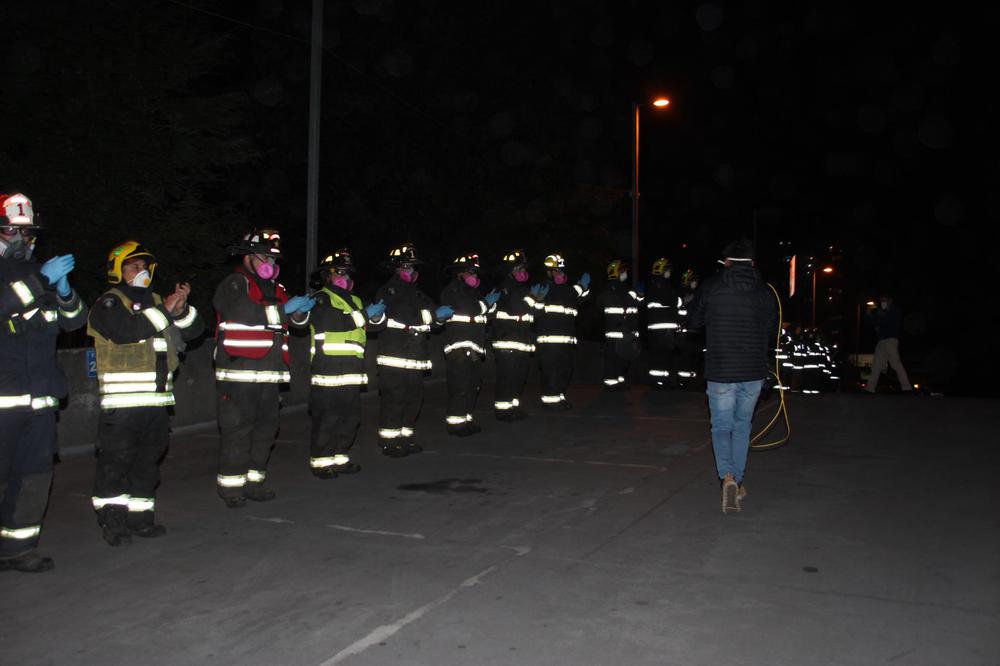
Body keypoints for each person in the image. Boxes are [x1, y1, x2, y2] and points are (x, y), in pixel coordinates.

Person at [88, 241, 204, 545]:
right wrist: (164, 310)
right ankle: (113, 523)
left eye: (144, 266)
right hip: (122, 404)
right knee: (115, 465)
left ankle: (141, 519)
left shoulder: (156, 302)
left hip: (157, 402)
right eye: (133, 267)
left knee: (147, 464)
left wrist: (182, 310)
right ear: (118, 271)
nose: (141, 272)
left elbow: (194, 333)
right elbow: (127, 332)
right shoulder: (110, 302)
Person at [0, 192, 87, 572]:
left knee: (34, 476)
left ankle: (18, 549)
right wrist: (40, 281)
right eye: (11, 231)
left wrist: (65, 292)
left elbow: (74, 322)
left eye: (27, 232)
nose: (21, 239)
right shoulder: (33, 277)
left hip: (40, 399)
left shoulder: (39, 273)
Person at [213, 229, 315, 508]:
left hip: (269, 377)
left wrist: (300, 311)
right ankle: (231, 488)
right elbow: (243, 314)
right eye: (262, 256)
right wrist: (284, 311)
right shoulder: (235, 283)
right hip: (238, 375)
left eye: (272, 257)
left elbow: (298, 326)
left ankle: (254, 482)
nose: (268, 261)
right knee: (238, 431)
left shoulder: (278, 289)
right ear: (247, 257)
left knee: (265, 431)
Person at [687, 240, 776, 513]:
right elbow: (772, 329)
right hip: (752, 371)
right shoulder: (765, 292)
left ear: (726, 262)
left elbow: (692, 322)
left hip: (721, 369)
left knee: (720, 426)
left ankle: (726, 476)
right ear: (752, 264)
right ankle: (736, 479)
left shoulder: (712, 287)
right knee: (742, 426)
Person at [305, 249, 386, 479]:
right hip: (327, 371)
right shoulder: (321, 298)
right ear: (327, 275)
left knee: (350, 419)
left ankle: (340, 458)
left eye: (348, 273)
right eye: (340, 272)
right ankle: (321, 463)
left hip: (352, 373)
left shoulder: (357, 300)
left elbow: (374, 326)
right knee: (327, 419)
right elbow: (333, 322)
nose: (346, 277)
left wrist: (378, 315)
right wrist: (364, 315)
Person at [374, 242, 453, 457]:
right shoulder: (388, 291)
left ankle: (405, 438)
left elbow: (431, 318)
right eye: (407, 267)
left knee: (414, 399)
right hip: (394, 356)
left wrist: (439, 318)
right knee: (394, 400)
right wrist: (434, 316)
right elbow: (406, 315)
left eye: (413, 267)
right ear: (397, 268)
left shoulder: (417, 294)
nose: (412, 271)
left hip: (415, 355)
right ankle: (389, 442)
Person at [439, 253, 500, 436]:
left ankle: (466, 419)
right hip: (459, 347)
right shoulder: (453, 291)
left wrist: (491, 305)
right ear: (460, 273)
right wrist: (486, 304)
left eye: (475, 272)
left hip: (474, 348)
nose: (475, 275)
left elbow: (484, 315)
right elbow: (470, 309)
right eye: (471, 272)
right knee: (460, 387)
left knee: (472, 386)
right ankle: (456, 424)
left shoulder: (474, 293)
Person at [532, 253, 590, 410]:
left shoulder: (567, 289)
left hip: (567, 341)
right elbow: (533, 312)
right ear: (549, 272)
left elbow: (580, 298)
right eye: (557, 270)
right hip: (550, 342)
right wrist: (537, 301)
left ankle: (559, 396)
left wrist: (584, 288)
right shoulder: (543, 288)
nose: (561, 274)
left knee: (565, 371)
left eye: (562, 271)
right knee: (551, 372)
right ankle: (550, 401)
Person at [490, 249, 536, 421]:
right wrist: (533, 298)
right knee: (507, 378)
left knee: (518, 377)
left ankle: (513, 408)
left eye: (524, 269)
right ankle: (503, 411)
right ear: (510, 270)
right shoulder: (505, 288)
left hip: (521, 340)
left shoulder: (521, 288)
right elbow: (519, 308)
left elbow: (533, 313)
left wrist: (533, 299)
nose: (523, 272)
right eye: (519, 268)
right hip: (506, 340)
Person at [595, 259, 643, 390]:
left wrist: (640, 296)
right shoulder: (608, 291)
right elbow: (600, 308)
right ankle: (611, 385)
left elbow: (637, 306)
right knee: (612, 360)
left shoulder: (627, 290)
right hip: (615, 333)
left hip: (626, 333)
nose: (625, 273)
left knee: (623, 359)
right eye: (622, 271)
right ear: (615, 273)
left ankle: (620, 382)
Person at [644, 257, 681, 388]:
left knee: (660, 356)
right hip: (663, 328)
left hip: (659, 328)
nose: (669, 272)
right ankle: (660, 382)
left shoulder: (654, 284)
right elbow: (672, 300)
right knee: (662, 356)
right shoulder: (661, 284)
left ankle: (660, 382)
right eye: (667, 269)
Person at [865, 294, 912, 394]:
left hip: (891, 340)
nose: (882, 302)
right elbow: (875, 324)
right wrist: (870, 314)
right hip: (881, 341)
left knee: (895, 363)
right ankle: (869, 389)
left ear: (890, 300)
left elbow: (892, 321)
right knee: (876, 365)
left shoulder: (895, 311)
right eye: (881, 300)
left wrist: (883, 315)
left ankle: (907, 388)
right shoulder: (882, 312)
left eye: (884, 300)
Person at [676, 268, 704, 386]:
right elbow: (681, 312)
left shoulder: (696, 294)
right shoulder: (683, 294)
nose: (695, 283)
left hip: (694, 332)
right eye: (693, 281)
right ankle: (685, 381)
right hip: (685, 333)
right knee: (686, 358)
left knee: (693, 358)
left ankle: (690, 379)